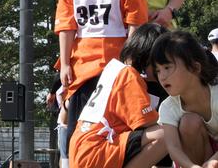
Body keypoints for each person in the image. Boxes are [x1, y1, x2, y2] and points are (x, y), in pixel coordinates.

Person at [55, 0, 148, 161]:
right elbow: (66, 28)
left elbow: (135, 24)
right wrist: (65, 65)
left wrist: (130, 64)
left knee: (122, 131)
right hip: (82, 74)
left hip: (118, 70)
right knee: (80, 135)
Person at [67, 23, 169, 168]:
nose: (164, 71)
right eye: (163, 63)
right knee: (167, 134)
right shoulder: (129, 75)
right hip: (96, 150)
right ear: (149, 57)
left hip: (84, 148)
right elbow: (146, 122)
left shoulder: (115, 69)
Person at [153, 29, 218, 168]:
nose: (162, 76)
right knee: (189, 121)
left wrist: (214, 160)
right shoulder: (167, 107)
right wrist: (192, 166)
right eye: (158, 70)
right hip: (201, 159)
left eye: (167, 67)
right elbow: (173, 148)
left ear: (195, 68)